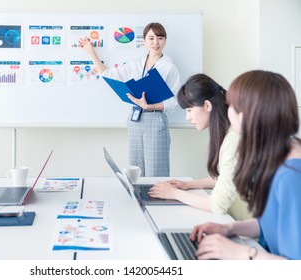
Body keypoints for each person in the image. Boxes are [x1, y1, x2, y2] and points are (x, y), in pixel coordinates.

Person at [190, 70, 301, 260]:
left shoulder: (290, 176)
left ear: (246, 116)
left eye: (231, 106)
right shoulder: (284, 150)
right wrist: (229, 228)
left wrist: (242, 253)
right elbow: (272, 222)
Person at [79, 22, 181, 177]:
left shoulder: (169, 67)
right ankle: (138, 200)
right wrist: (91, 53)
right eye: (151, 38)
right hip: (135, 120)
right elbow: (108, 75)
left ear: (165, 41)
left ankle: (157, 201)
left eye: (160, 38)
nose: (155, 42)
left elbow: (175, 101)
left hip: (156, 120)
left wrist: (151, 106)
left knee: (156, 174)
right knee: (136, 172)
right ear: (144, 41)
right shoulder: (136, 64)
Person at [147, 74, 251, 220]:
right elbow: (226, 177)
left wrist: (174, 194)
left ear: (207, 105)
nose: (187, 118)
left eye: (189, 110)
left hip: (248, 224)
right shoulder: (228, 132)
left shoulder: (233, 139)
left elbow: (217, 205)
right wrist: (188, 184)